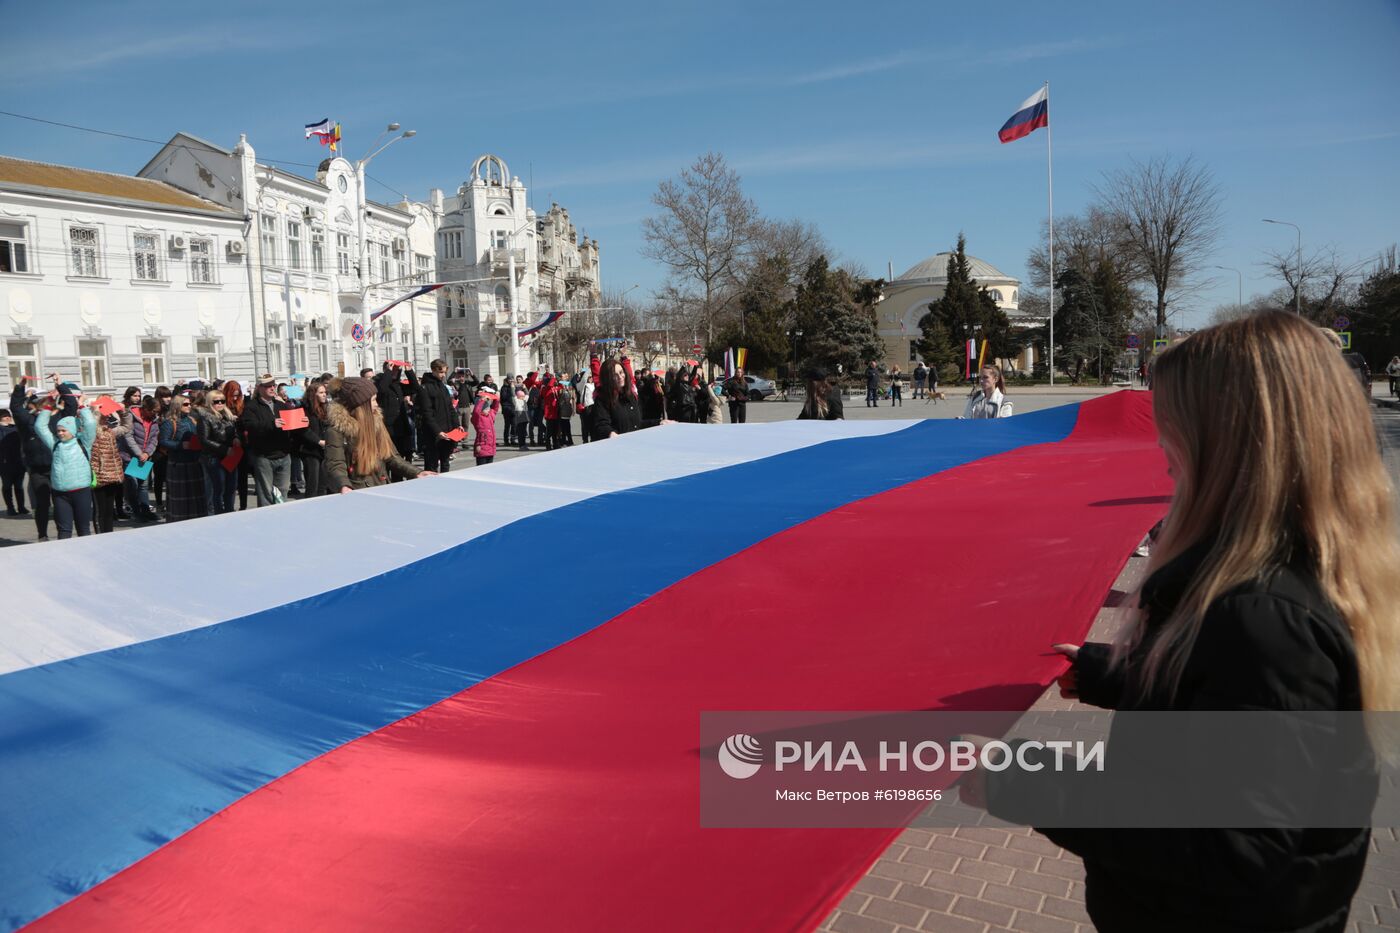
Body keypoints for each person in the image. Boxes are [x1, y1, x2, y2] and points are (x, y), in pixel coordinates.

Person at [969, 311, 1400, 933]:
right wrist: (1115, 674)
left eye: (1169, 422)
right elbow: (1231, 709)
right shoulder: (1279, 573)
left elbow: (1231, 845)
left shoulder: (1263, 614)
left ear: (1231, 439)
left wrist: (1023, 781)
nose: (1158, 445)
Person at [325, 377, 431, 491]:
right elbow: (335, 465)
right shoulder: (336, 430)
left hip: (381, 487)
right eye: (373, 400)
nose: (377, 404)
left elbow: (391, 456)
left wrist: (416, 472)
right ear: (360, 404)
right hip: (356, 491)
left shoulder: (376, 422)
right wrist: (343, 485)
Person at [33, 387, 96, 539]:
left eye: (63, 430)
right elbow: (39, 427)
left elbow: (90, 424)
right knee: (64, 530)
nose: (60, 433)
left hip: (81, 491)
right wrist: (48, 404)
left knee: (83, 529)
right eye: (58, 430)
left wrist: (82, 405)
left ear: (72, 430)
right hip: (60, 494)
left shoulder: (84, 443)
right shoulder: (55, 443)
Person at [237, 374, 294, 506]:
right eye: (268, 386)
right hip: (264, 456)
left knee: (282, 491)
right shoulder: (252, 406)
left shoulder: (281, 405)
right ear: (260, 388)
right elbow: (250, 426)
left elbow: (292, 423)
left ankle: (280, 520)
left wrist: (302, 422)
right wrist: (272, 424)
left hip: (283, 454)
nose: (272, 388)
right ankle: (266, 521)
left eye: (273, 385)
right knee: (266, 493)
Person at [9, 378, 53, 538]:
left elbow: (68, 409)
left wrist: (58, 390)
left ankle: (64, 533)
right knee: (42, 504)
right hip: (37, 470)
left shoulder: (52, 419)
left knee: (61, 502)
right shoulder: (26, 421)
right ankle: (42, 534)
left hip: (56, 467)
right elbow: (15, 407)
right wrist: (20, 387)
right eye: (39, 404)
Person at [158, 393, 207, 522]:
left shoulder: (191, 420)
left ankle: (196, 519)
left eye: (190, 404)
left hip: (194, 462)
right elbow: (163, 441)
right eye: (185, 404)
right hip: (178, 464)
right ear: (177, 405)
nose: (189, 406)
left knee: (195, 495)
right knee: (180, 496)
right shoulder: (169, 422)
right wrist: (180, 445)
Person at [592, 357, 665, 439]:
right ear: (607, 378)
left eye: (621, 372)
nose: (620, 377)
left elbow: (637, 424)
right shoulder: (602, 399)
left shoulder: (630, 395)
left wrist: (659, 422)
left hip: (635, 445)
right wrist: (609, 433)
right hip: (617, 447)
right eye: (614, 375)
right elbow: (602, 425)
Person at [88, 399, 130, 533]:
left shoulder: (110, 431)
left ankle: (109, 534)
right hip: (99, 476)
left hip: (112, 474)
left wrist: (123, 413)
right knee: (100, 510)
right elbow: (91, 425)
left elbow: (126, 427)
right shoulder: (91, 432)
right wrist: (95, 412)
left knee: (108, 510)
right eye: (103, 416)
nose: (106, 417)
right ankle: (100, 535)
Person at [197, 389, 241, 514]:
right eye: (217, 401)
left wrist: (237, 438)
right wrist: (225, 449)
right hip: (214, 457)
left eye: (222, 401)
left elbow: (234, 431)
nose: (220, 403)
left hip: (230, 455)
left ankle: (229, 510)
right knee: (219, 488)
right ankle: (218, 513)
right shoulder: (205, 417)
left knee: (231, 487)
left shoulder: (228, 415)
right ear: (210, 402)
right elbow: (204, 440)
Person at [415, 359, 458, 473]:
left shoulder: (443, 386)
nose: (443, 375)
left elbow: (450, 408)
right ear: (433, 370)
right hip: (434, 434)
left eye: (444, 372)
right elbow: (427, 413)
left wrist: (457, 426)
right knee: (432, 465)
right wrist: (437, 431)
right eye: (441, 372)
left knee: (445, 463)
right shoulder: (425, 387)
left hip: (447, 432)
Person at [299, 381, 330, 497]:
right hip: (310, 450)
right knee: (313, 485)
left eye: (325, 392)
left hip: (324, 450)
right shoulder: (304, 408)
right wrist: (319, 441)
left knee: (323, 485)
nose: (324, 395)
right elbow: (303, 431)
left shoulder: (325, 408)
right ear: (313, 394)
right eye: (321, 392)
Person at [0, 408, 26, 516]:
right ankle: (10, 507)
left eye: (8, 417)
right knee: (7, 486)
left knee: (19, 486)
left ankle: (21, 507)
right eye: (5, 417)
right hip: (4, 464)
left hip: (19, 462)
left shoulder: (16, 428)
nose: (7, 419)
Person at [471, 386, 498, 465]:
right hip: (481, 447)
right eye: (486, 409)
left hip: (491, 447)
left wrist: (496, 398)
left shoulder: (490, 414)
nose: (488, 411)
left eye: (488, 409)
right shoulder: (477, 417)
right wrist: (482, 400)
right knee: (481, 468)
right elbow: (476, 411)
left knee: (489, 468)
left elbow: (495, 408)